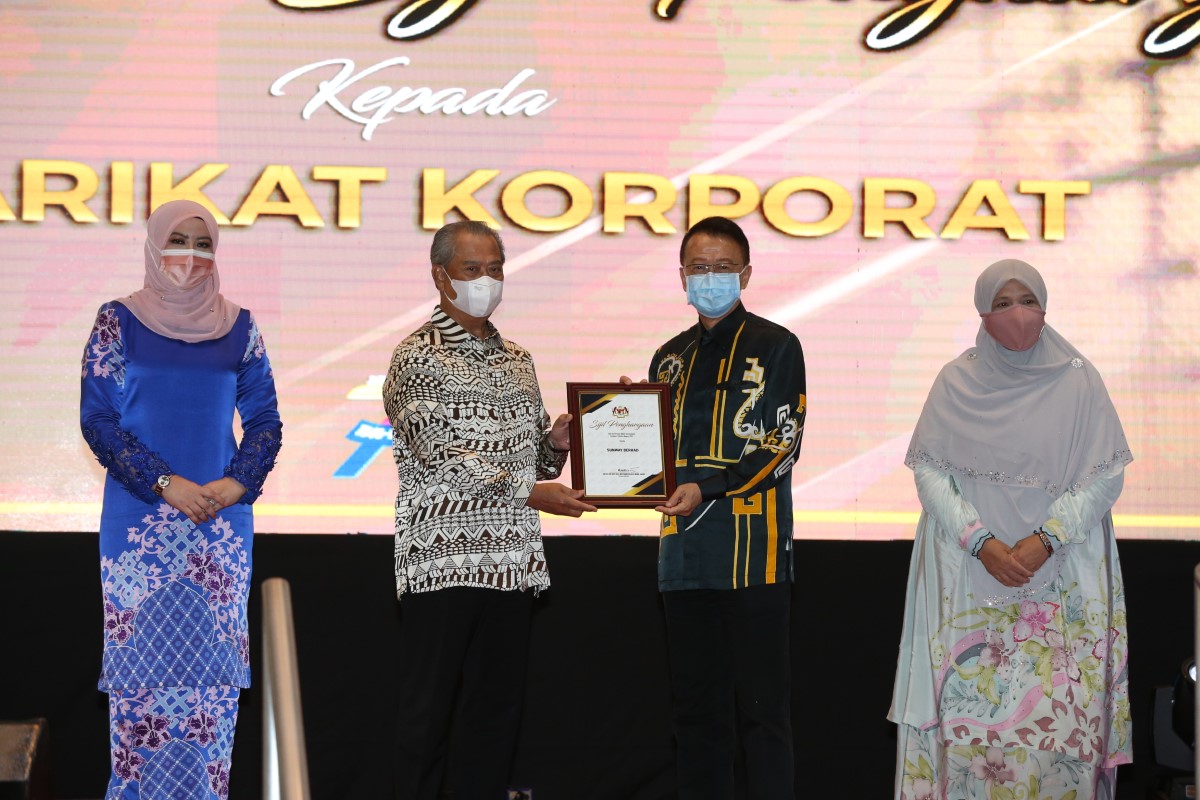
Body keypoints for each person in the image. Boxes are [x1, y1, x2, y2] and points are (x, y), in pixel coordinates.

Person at [889, 259, 1133, 799]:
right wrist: (982, 542)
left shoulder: (1079, 380)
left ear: (1045, 307)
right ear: (981, 311)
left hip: (1061, 586)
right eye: (1002, 303)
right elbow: (930, 472)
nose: (1016, 314)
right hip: (969, 586)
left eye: (1027, 301)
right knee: (969, 734)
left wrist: (1045, 540)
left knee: (1058, 733)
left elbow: (1106, 475)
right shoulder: (956, 381)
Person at [383, 220, 597, 800]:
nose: (487, 280)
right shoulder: (414, 358)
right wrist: (530, 491)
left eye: (495, 269)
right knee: (427, 720)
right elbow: (442, 455)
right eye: (472, 269)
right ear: (440, 276)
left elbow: (537, 463)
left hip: (510, 563)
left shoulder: (518, 360)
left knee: (493, 719)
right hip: (443, 561)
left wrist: (554, 445)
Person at [80, 199, 282, 800]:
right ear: (153, 243)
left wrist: (234, 484)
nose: (190, 255)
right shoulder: (118, 320)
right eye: (178, 239)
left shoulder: (240, 326)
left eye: (203, 242)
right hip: (140, 525)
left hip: (219, 527)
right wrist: (168, 483)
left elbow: (266, 419)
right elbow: (99, 421)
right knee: (140, 688)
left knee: (211, 690)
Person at [637, 216, 806, 799]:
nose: (710, 278)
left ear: (747, 273)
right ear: (681, 275)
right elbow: (651, 456)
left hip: (752, 561)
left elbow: (782, 444)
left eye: (723, 267)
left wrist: (708, 487)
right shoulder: (668, 357)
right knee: (696, 719)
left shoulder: (776, 345)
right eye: (699, 268)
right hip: (682, 561)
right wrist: (612, 426)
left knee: (762, 720)